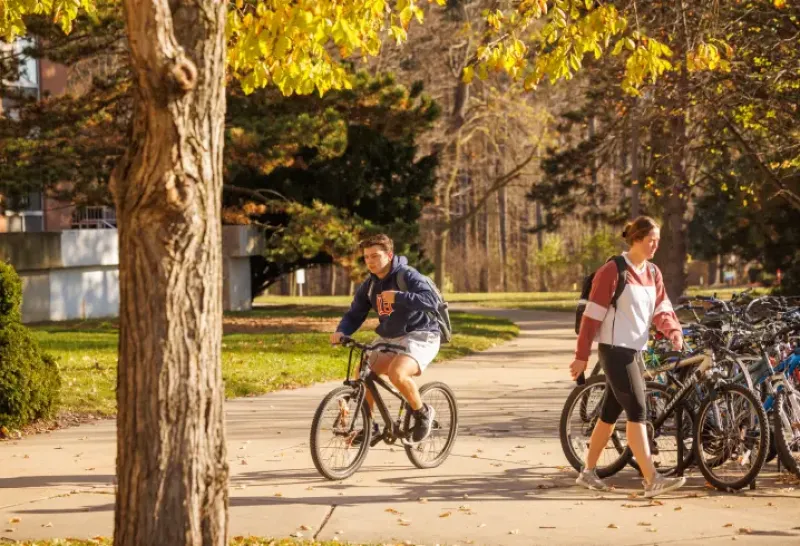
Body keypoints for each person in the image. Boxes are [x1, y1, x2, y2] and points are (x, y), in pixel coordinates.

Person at [570, 216, 687, 498]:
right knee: (638, 410)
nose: (655, 246)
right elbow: (591, 318)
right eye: (651, 240)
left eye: (658, 241)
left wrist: (673, 331)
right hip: (614, 350)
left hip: (635, 349)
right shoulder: (613, 271)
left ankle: (587, 472)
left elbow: (662, 308)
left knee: (609, 414)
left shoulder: (653, 273)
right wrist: (581, 356)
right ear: (636, 239)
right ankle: (651, 478)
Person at [330, 234, 441, 444]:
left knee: (397, 373)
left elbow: (431, 301)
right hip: (391, 336)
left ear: (389, 255)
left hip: (421, 334)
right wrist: (342, 331)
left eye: (375, 256)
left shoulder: (407, 276)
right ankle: (370, 426)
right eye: (366, 257)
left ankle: (422, 413)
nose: (370, 261)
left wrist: (398, 296)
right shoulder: (370, 286)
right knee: (363, 373)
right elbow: (355, 314)